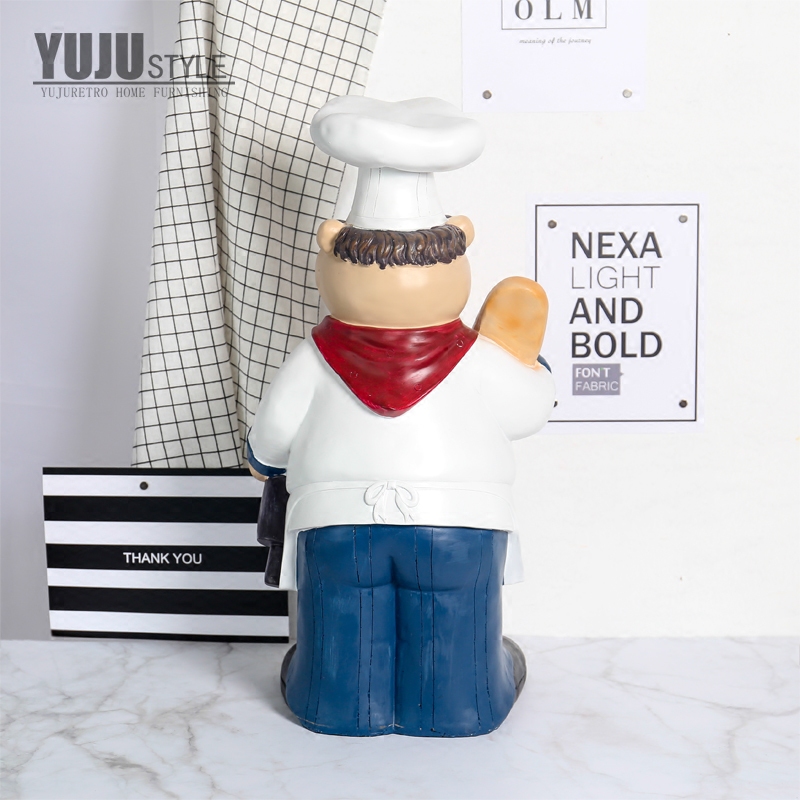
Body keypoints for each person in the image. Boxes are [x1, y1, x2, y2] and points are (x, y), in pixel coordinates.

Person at [247, 97, 555, 737]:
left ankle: (338, 702)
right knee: (454, 623)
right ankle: (460, 702)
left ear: (331, 248)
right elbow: (529, 410)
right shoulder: (479, 358)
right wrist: (529, 362)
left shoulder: (313, 357)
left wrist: (267, 463)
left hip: (336, 522)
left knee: (342, 621)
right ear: (459, 247)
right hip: (457, 521)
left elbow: (270, 442)